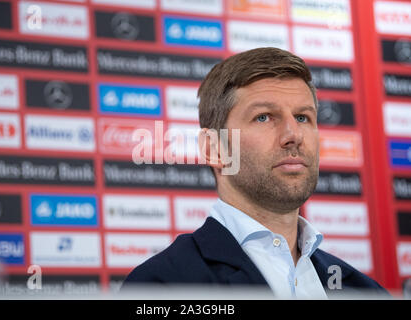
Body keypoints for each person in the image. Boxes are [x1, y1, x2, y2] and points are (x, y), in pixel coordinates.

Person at [121, 47, 389, 299]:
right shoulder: (161, 286)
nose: (293, 135)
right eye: (264, 117)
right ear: (214, 148)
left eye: (303, 117)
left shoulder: (364, 290)